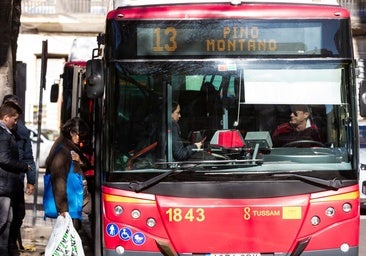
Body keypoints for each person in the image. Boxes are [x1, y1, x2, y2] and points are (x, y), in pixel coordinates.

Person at [2, 95, 36, 255]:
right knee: (4, 219)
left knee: (17, 215)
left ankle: (10, 245)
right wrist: (23, 166)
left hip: (15, 180)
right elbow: (4, 158)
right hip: (5, 182)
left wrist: (31, 179)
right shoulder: (3, 132)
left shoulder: (21, 130)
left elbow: (29, 156)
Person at [45, 117, 91, 221]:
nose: (81, 140)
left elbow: (85, 163)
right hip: (71, 197)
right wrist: (63, 209)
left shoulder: (70, 146)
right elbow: (59, 180)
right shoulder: (63, 149)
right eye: (80, 135)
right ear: (72, 132)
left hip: (75, 196)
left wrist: (79, 161)